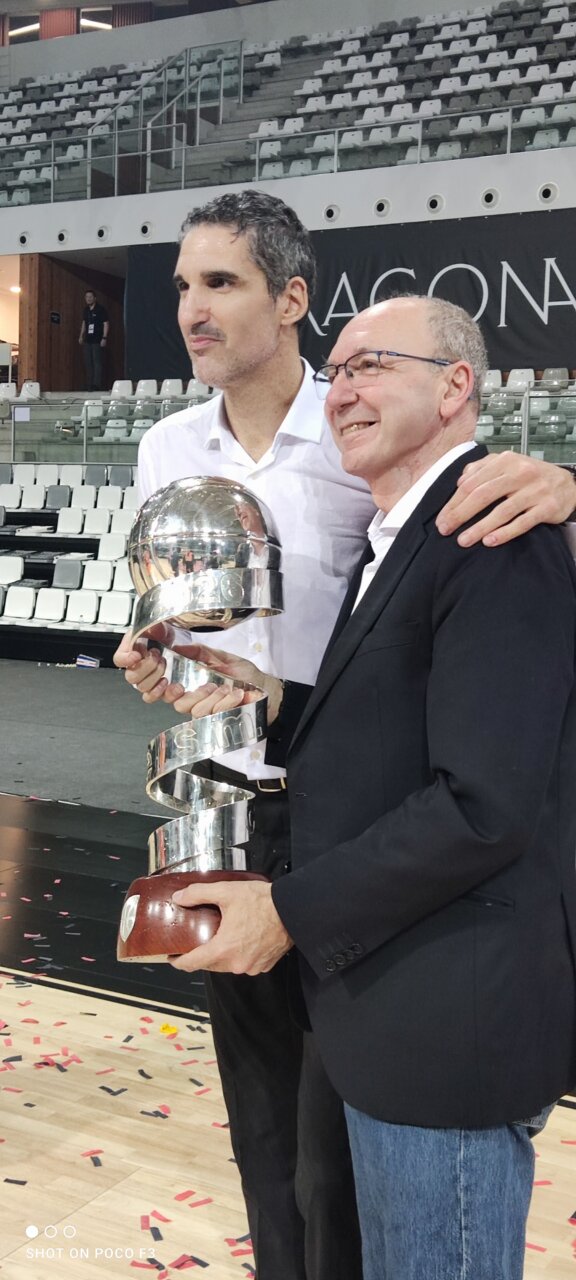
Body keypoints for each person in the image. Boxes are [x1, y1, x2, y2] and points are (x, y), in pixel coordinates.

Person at [114, 191, 576, 1280]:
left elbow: (487, 563)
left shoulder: (372, 433)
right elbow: (211, 626)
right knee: (268, 1134)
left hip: (381, 830)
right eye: (180, 285)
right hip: (234, 799)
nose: (191, 308)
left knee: (360, 1138)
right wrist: (173, 659)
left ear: (291, 299)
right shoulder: (167, 445)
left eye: (219, 282)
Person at [79, 289, 109, 391]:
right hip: (88, 339)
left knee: (97, 362)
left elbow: (106, 324)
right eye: (87, 297)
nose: (88, 299)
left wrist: (104, 337)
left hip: (97, 339)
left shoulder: (101, 309)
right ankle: (89, 384)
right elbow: (84, 323)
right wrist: (81, 336)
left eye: (90, 297)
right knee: (88, 362)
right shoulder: (85, 310)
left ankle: (96, 384)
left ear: (95, 298)